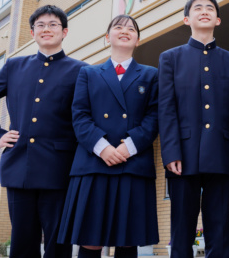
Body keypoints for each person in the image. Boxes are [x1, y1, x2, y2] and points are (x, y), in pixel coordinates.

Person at [0, 5, 85, 258]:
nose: (47, 29)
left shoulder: (81, 70)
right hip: (19, 164)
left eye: (53, 24)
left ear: (65, 31)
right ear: (32, 32)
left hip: (60, 168)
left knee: (59, 243)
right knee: (23, 241)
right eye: (40, 25)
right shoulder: (14, 66)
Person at [57, 14, 159, 258]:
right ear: (107, 38)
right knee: (90, 240)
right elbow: (79, 115)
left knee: (127, 240)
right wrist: (102, 147)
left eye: (131, 29)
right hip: (94, 162)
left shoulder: (151, 74)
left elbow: (155, 116)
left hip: (132, 162)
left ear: (138, 40)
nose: (125, 31)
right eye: (118, 27)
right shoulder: (88, 73)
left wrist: (130, 146)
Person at [158, 0, 229, 258]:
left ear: (218, 20)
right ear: (187, 19)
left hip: (221, 155)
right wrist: (171, 153)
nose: (204, 12)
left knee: (219, 229)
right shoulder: (170, 58)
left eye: (210, 8)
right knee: (181, 230)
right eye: (197, 8)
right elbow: (166, 109)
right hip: (182, 157)